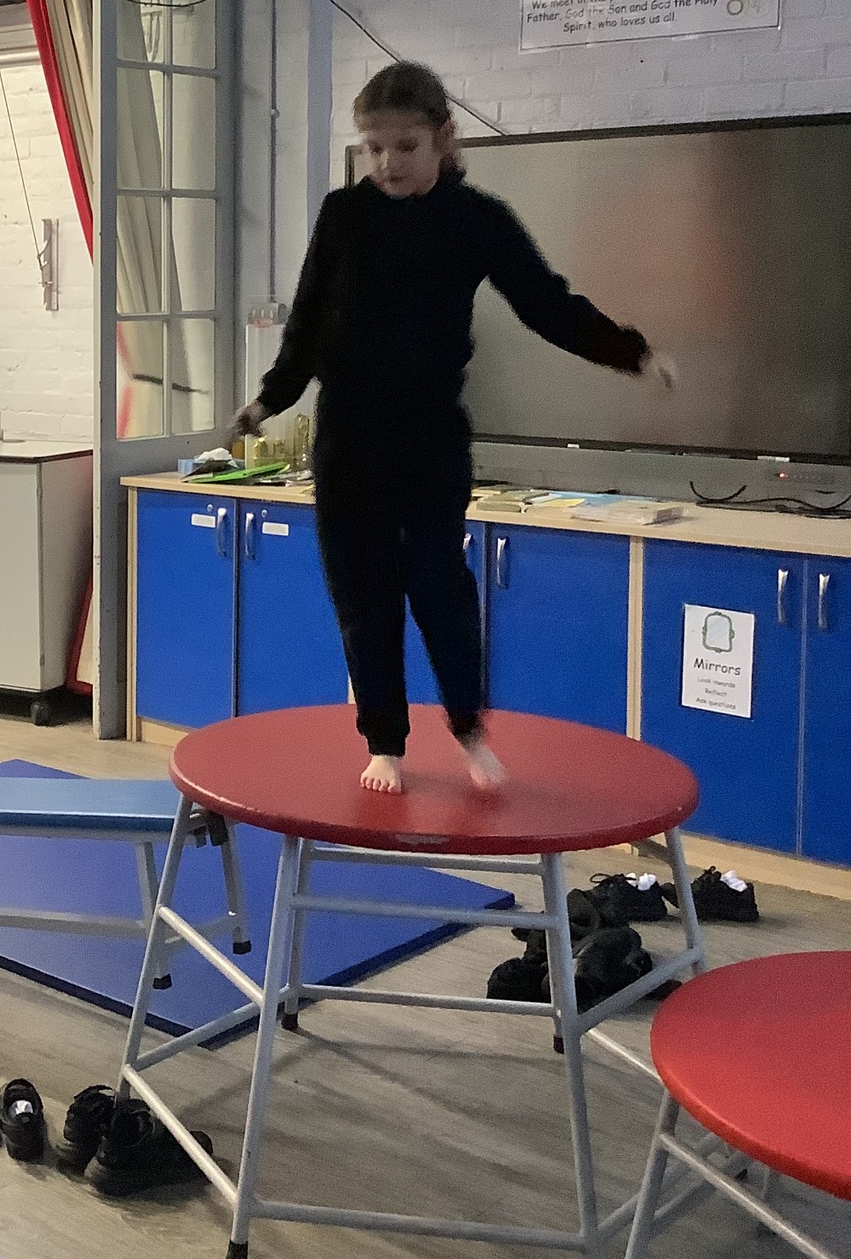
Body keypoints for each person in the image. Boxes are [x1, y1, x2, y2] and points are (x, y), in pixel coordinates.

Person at [235, 61, 675, 797]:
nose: (387, 164)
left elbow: (546, 303)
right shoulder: (344, 216)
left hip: (429, 439)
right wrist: (267, 401)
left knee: (440, 589)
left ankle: (469, 729)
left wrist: (632, 353)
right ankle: (384, 742)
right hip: (348, 440)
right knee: (363, 599)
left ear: (444, 137)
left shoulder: (477, 220)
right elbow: (307, 322)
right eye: (374, 148)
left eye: (405, 147)